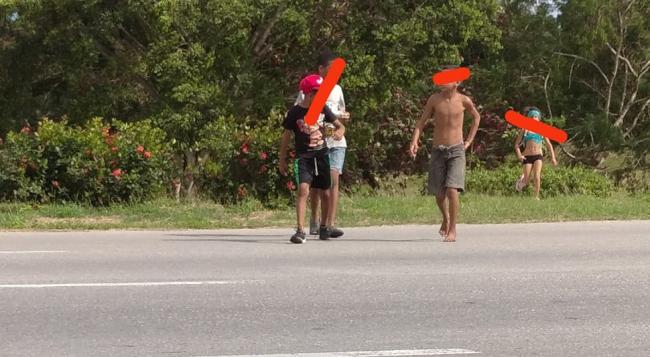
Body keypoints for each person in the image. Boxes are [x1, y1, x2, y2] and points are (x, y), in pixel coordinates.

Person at [409, 74, 481, 242]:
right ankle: (446, 218)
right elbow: (421, 122)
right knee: (439, 194)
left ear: (457, 82)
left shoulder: (464, 100)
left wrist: (469, 140)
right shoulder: (434, 99)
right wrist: (414, 140)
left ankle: (453, 230)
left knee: (452, 189)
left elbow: (477, 117)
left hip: (457, 150)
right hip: (438, 150)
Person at [280, 74, 346, 244]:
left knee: (325, 192)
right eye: (317, 92)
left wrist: (338, 132)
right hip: (304, 157)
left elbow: (340, 126)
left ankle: (324, 227)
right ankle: (300, 230)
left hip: (322, 155)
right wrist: (282, 159)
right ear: (308, 93)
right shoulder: (295, 112)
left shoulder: (322, 108)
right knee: (303, 189)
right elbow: (286, 136)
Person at [295, 48, 349, 236]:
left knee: (332, 180)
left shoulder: (337, 89)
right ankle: (314, 219)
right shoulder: (309, 89)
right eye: (331, 68)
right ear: (321, 69)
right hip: (315, 144)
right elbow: (298, 113)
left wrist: (342, 119)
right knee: (316, 186)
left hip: (336, 142)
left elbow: (340, 113)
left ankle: (330, 223)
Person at [514, 107, 558, 200]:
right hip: (527, 157)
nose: (534, 118)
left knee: (537, 175)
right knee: (526, 179)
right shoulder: (524, 130)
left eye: (536, 116)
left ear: (539, 119)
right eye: (532, 116)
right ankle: (522, 180)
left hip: (538, 156)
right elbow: (517, 144)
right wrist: (519, 155)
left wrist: (553, 158)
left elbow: (549, 145)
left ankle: (536, 197)